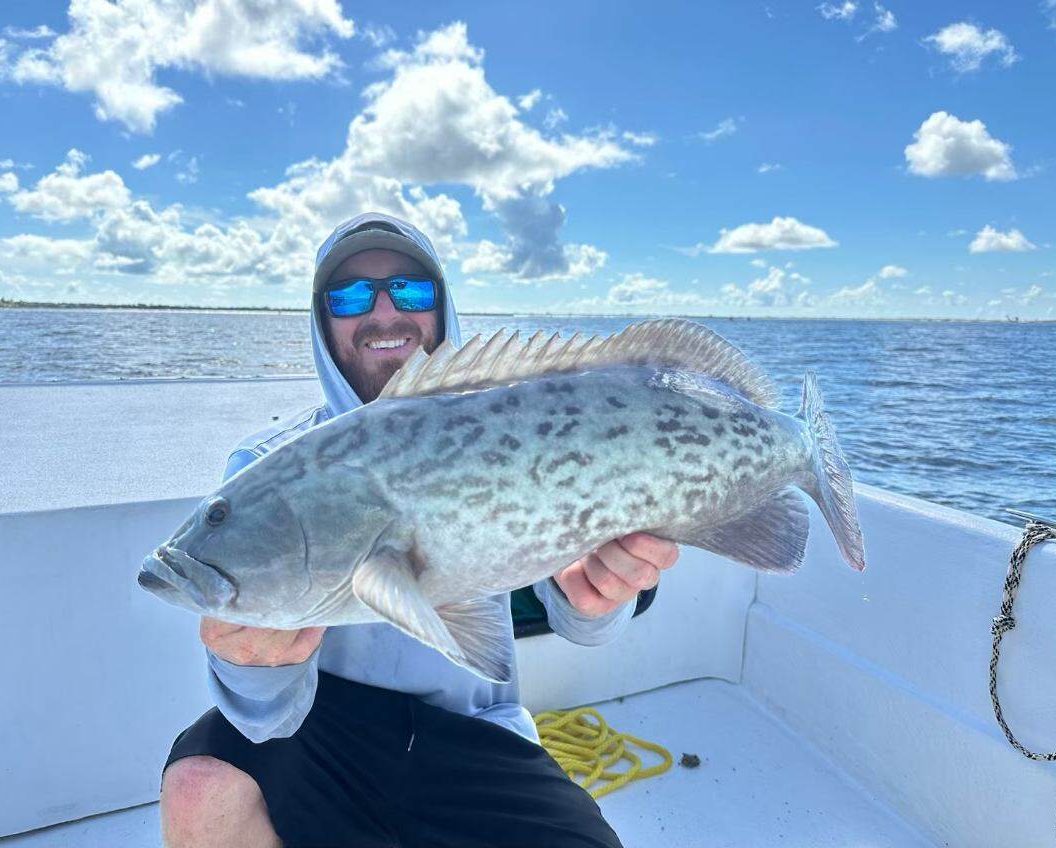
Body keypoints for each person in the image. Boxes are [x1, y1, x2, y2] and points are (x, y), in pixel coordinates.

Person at [159, 212, 680, 848]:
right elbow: (264, 719)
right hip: (320, 725)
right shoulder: (265, 468)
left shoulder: (516, 425)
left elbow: (577, 622)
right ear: (323, 321)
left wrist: (597, 599)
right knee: (198, 787)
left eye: (410, 289)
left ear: (442, 306)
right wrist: (250, 664)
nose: (383, 312)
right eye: (350, 295)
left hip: (478, 727)